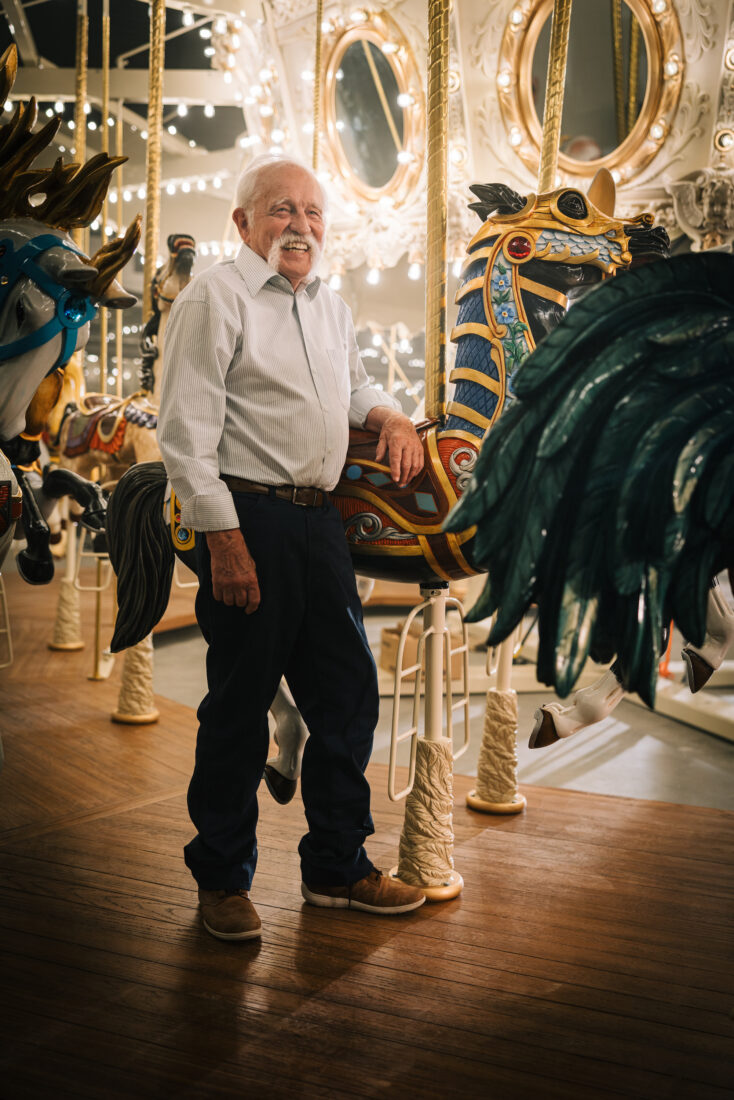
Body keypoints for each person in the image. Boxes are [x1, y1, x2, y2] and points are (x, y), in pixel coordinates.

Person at [158, 155, 427, 941]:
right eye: (281, 210)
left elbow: (351, 389)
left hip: (319, 523)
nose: (300, 225)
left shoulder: (329, 305)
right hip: (249, 519)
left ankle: (337, 868)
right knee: (240, 706)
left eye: (312, 212)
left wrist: (393, 417)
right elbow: (185, 435)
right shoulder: (218, 296)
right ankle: (222, 879)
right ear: (242, 223)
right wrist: (226, 542)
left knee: (346, 696)